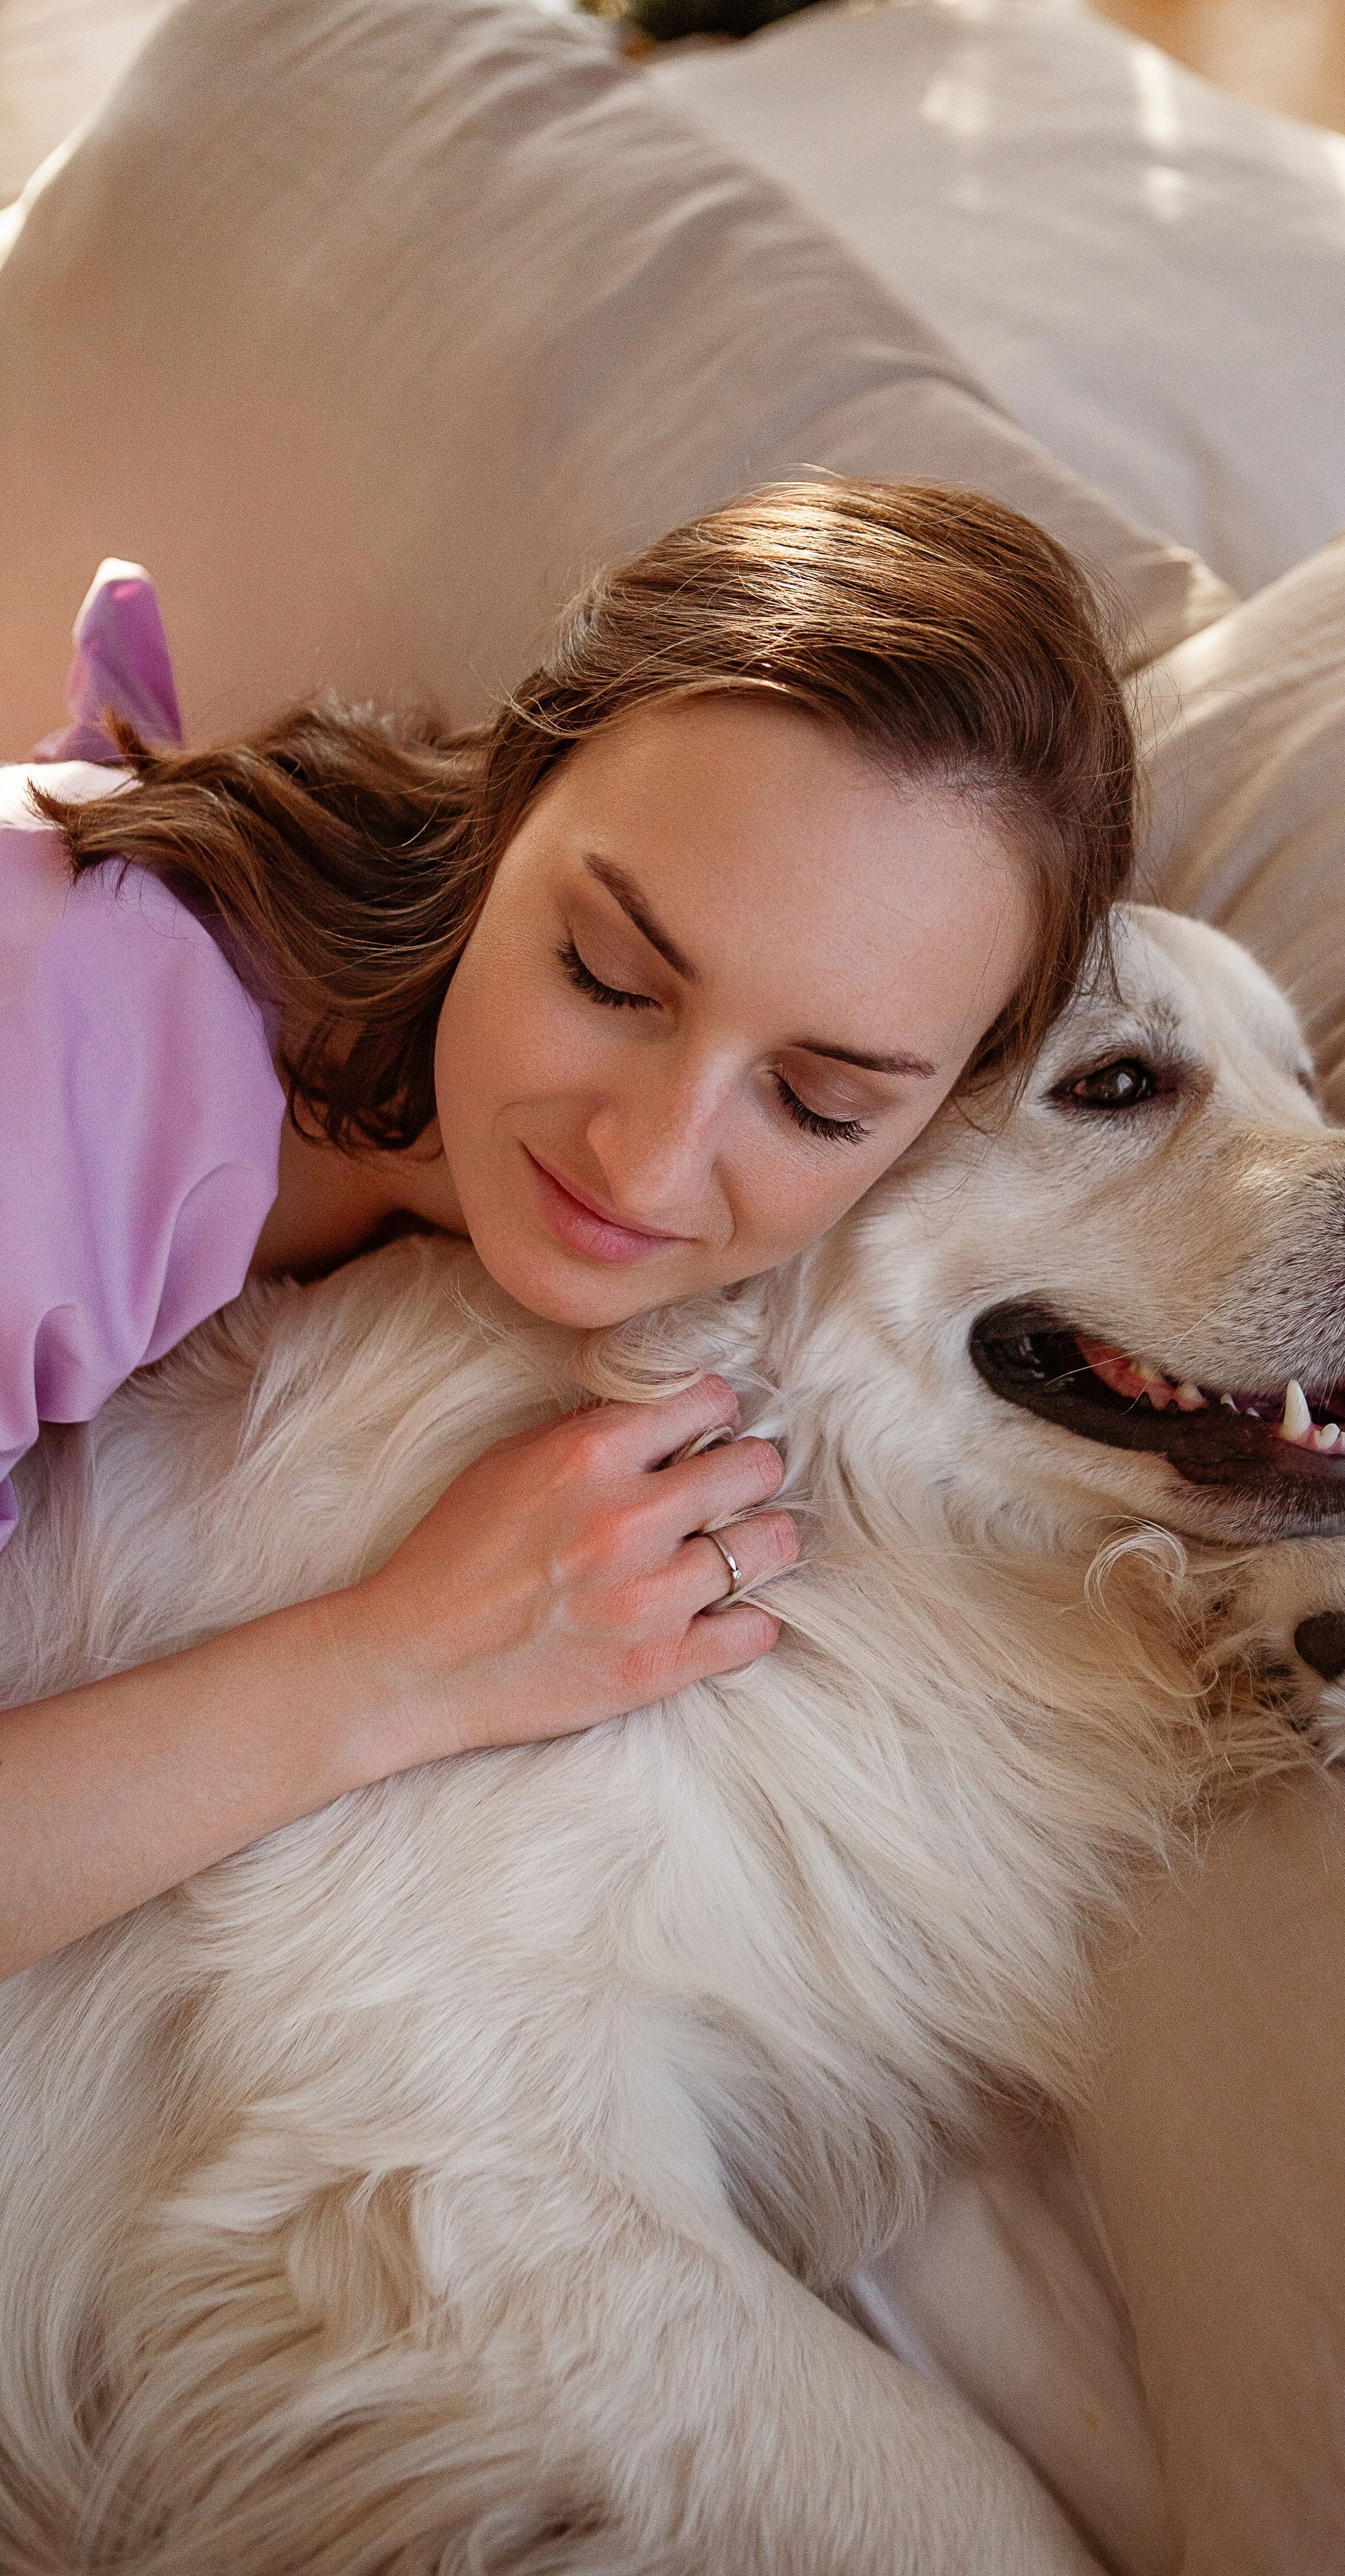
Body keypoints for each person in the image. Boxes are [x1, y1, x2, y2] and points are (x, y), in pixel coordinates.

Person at [0, 477, 1136, 1981]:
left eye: (815, 1102)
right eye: (608, 978)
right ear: (513, 794)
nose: (649, 1169)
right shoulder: (62, 1069)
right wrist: (393, 1660)